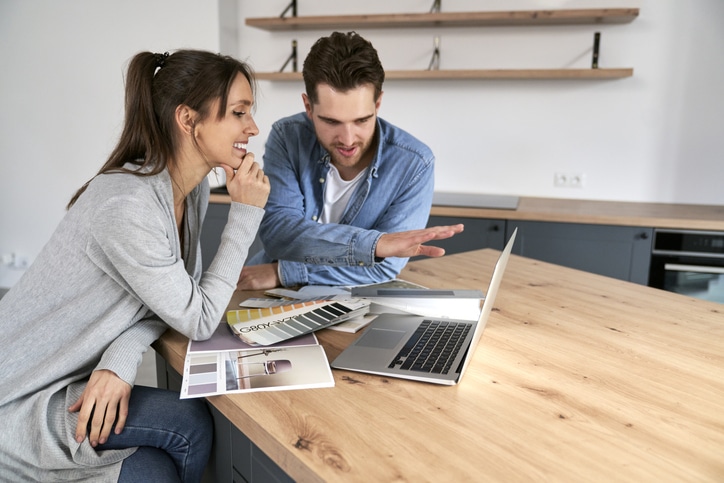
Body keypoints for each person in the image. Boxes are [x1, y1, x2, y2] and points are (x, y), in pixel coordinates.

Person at [0, 49, 269, 482]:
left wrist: (120, 356)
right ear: (188, 120)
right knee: (169, 455)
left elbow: (177, 300)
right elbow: (199, 318)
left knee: (190, 423)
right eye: (239, 112)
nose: (252, 128)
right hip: (20, 398)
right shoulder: (128, 206)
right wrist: (244, 214)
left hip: (66, 377)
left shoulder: (190, 191)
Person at [238, 31, 463, 290]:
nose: (347, 139)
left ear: (378, 104)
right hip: (266, 289)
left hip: (345, 297)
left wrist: (284, 272)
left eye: (361, 120)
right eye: (331, 121)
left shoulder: (414, 164)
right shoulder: (288, 136)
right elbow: (279, 234)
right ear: (308, 107)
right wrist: (374, 246)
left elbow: (386, 266)